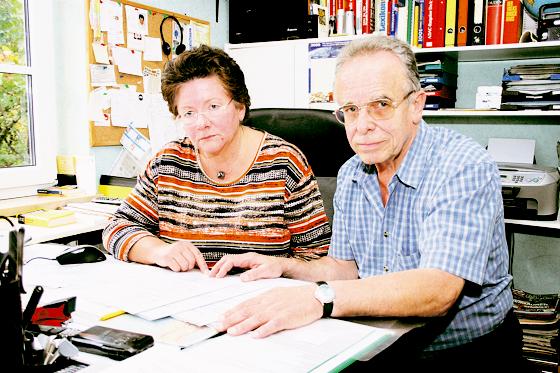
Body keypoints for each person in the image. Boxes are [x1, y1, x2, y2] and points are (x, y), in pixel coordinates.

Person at [210, 35, 525, 371]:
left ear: (416, 105)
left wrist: (319, 298)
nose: (362, 126)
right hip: (379, 342)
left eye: (381, 105)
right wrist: (288, 267)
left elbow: (437, 289)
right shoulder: (351, 174)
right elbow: (345, 268)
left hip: (465, 353)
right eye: (350, 110)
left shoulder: (462, 165)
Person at [102, 45, 331, 273]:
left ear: (240, 107)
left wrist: (282, 266)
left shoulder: (284, 164)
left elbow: (319, 259)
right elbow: (117, 228)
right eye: (189, 113)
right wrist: (158, 251)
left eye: (213, 106)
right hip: (183, 301)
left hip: (260, 300)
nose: (202, 122)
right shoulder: (168, 163)